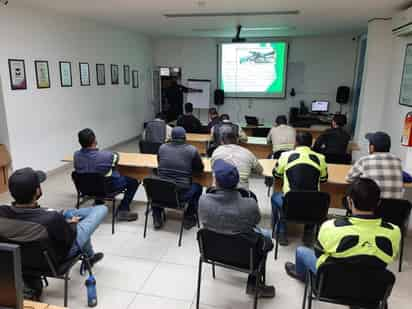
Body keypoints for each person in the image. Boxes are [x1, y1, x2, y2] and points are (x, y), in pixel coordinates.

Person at [0, 168, 107, 298]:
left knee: (64, 213)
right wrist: (70, 223)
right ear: (37, 191)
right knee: (101, 209)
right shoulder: (50, 219)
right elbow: (69, 238)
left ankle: (89, 256)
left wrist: (60, 219)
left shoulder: (2, 212)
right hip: (55, 261)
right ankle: (89, 257)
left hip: (22, 261)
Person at [284, 178, 400, 285]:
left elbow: (318, 254)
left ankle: (302, 275)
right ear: (378, 202)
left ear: (349, 201)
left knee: (301, 251)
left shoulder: (331, 226)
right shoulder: (394, 231)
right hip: (370, 287)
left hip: (331, 284)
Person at [198, 159, 275, 298]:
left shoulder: (203, 200)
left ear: (216, 182)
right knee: (267, 237)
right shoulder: (250, 204)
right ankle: (254, 284)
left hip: (213, 252)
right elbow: (255, 221)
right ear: (237, 181)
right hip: (246, 257)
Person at [271, 132, 328, 246]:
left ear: (296, 142)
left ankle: (281, 232)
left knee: (274, 197)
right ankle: (308, 233)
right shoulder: (320, 158)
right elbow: (323, 179)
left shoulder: (285, 156)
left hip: (290, 202)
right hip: (313, 204)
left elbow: (276, 175)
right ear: (311, 143)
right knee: (313, 199)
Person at [74, 128, 139, 221]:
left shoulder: (76, 155)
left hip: (85, 189)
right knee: (133, 181)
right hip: (107, 189)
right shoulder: (107, 156)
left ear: (80, 142)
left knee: (96, 176)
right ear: (94, 140)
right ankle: (123, 210)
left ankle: (98, 202)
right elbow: (116, 157)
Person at [155, 127, 204, 229]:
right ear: (185, 137)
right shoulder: (192, 150)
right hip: (181, 194)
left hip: (161, 192)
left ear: (171, 137)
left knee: (154, 186)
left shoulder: (162, 147)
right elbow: (199, 170)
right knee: (198, 187)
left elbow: (159, 162)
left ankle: (157, 217)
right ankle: (189, 217)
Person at [346, 131, 403, 199]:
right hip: (393, 207)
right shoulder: (397, 161)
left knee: (348, 197)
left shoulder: (364, 160)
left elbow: (349, 178)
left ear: (372, 147)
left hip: (371, 206)